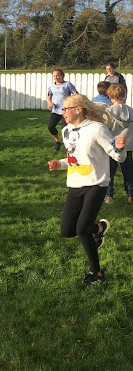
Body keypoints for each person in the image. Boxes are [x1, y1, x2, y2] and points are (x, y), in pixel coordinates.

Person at [48, 94, 126, 285]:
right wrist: (60, 164)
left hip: (96, 184)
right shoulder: (66, 131)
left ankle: (96, 274)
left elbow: (118, 157)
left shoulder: (97, 129)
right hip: (75, 185)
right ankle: (99, 228)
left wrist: (119, 148)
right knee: (67, 230)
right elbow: (75, 159)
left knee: (82, 229)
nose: (62, 113)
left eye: (65, 109)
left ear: (78, 109)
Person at [104, 84, 133, 203]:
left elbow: (104, 128)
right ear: (124, 95)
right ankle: (131, 194)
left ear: (110, 96)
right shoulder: (131, 110)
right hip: (128, 145)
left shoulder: (109, 112)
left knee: (109, 171)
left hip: (112, 145)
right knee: (129, 171)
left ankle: (108, 195)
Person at [47, 68, 77, 152]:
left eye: (57, 75)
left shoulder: (67, 84)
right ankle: (58, 140)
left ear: (62, 76)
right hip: (56, 110)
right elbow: (49, 96)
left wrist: (72, 102)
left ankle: (69, 146)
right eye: (54, 76)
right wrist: (49, 103)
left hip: (66, 110)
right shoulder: (51, 86)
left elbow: (76, 94)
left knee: (65, 130)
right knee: (50, 126)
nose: (56, 77)